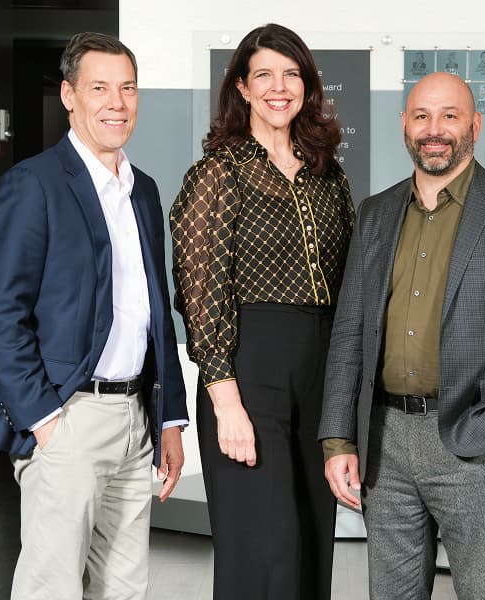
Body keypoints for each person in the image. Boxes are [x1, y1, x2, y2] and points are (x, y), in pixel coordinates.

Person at [319, 72, 485, 600]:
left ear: (474, 125)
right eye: (422, 116)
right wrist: (340, 437)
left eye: (450, 116)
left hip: (472, 440)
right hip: (384, 440)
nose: (435, 129)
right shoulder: (377, 212)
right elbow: (350, 334)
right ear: (403, 124)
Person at [0, 32, 188, 599]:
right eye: (99, 88)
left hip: (136, 420)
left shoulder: (143, 190)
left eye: (128, 88)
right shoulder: (33, 184)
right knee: (53, 587)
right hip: (67, 418)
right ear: (69, 95)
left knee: (124, 588)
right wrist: (44, 420)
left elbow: (153, 312)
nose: (116, 102)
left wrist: (168, 418)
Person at [169, 23, 355, 600]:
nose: (280, 87)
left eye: (291, 75)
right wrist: (225, 400)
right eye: (264, 76)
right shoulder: (218, 173)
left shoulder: (328, 174)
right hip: (249, 369)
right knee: (263, 550)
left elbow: (352, 280)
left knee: (309, 543)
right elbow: (199, 290)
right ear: (243, 89)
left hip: (321, 369)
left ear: (307, 86)